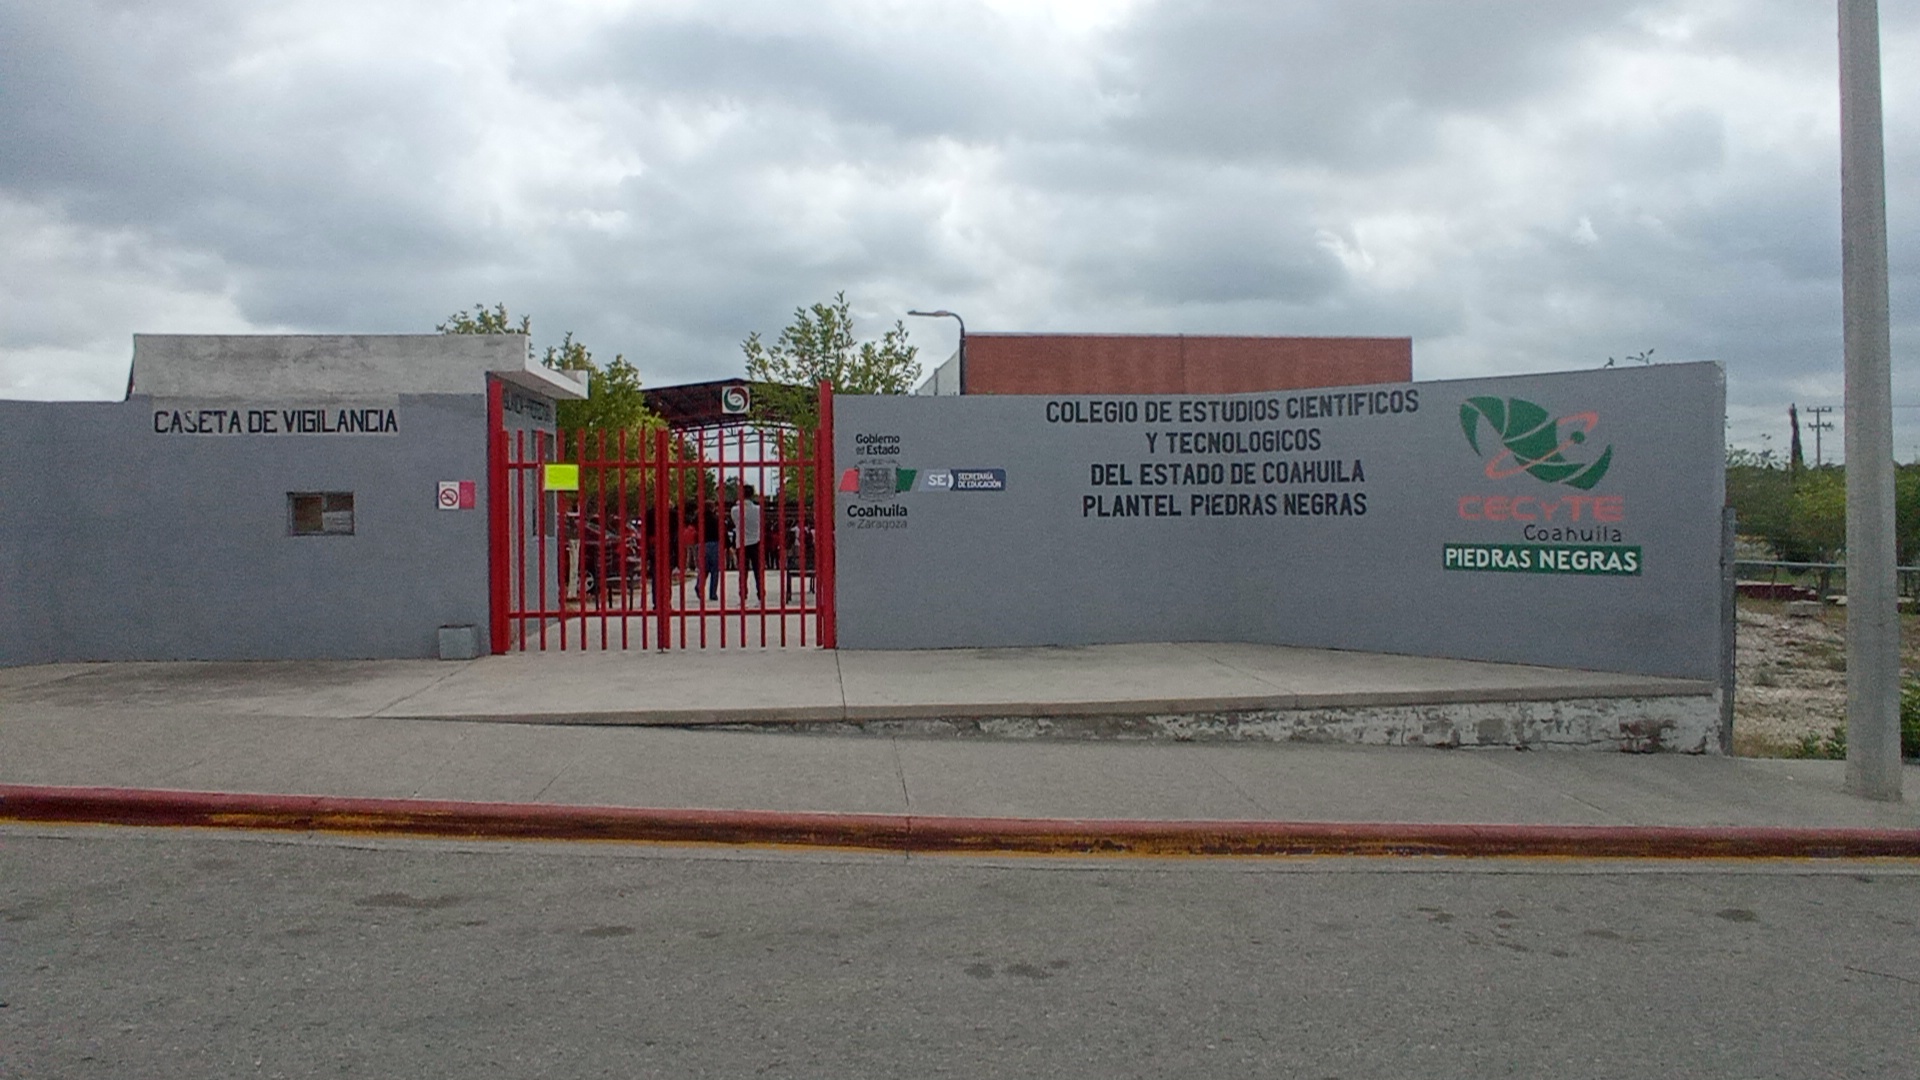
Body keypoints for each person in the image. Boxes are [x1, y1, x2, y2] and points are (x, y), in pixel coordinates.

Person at [731, 484, 765, 602]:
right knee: (758, 571)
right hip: (756, 541)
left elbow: (735, 523)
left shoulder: (735, 510)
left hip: (741, 543)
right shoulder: (758, 510)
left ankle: (743, 594)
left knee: (743, 572)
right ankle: (760, 593)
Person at [696, 500, 724, 601]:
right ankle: (713, 593)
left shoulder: (699, 518)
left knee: (704, 568)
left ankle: (699, 585)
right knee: (715, 570)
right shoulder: (716, 519)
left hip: (702, 543)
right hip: (714, 544)